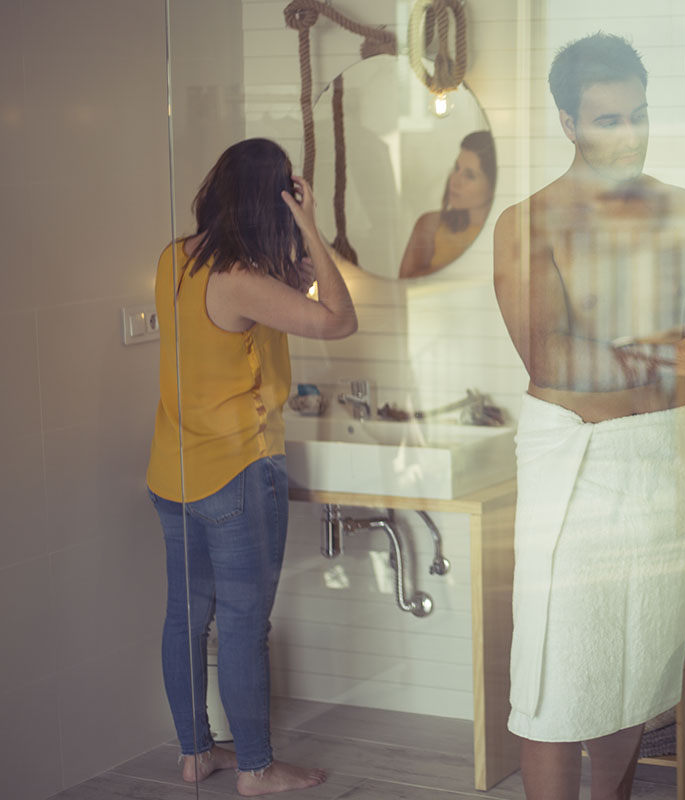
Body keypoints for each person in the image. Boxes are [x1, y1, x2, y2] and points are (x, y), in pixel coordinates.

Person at [492, 34, 685, 800]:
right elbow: (549, 356)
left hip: (659, 458)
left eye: (638, 114)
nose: (630, 134)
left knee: (633, 671)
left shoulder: (680, 210)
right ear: (569, 124)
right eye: (607, 119)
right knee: (556, 682)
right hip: (577, 464)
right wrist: (675, 351)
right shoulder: (529, 222)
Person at [145, 138, 357, 796]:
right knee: (243, 625)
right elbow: (339, 320)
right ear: (274, 202)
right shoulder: (242, 280)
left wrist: (291, 266)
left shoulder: (175, 259)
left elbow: (261, 311)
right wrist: (311, 226)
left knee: (186, 618)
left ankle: (195, 754)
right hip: (237, 474)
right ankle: (256, 769)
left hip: (173, 472)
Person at [399, 130, 497, 278]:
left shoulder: (506, 233)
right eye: (457, 168)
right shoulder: (430, 225)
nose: (455, 181)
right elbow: (406, 282)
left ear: (493, 185)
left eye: (469, 175)